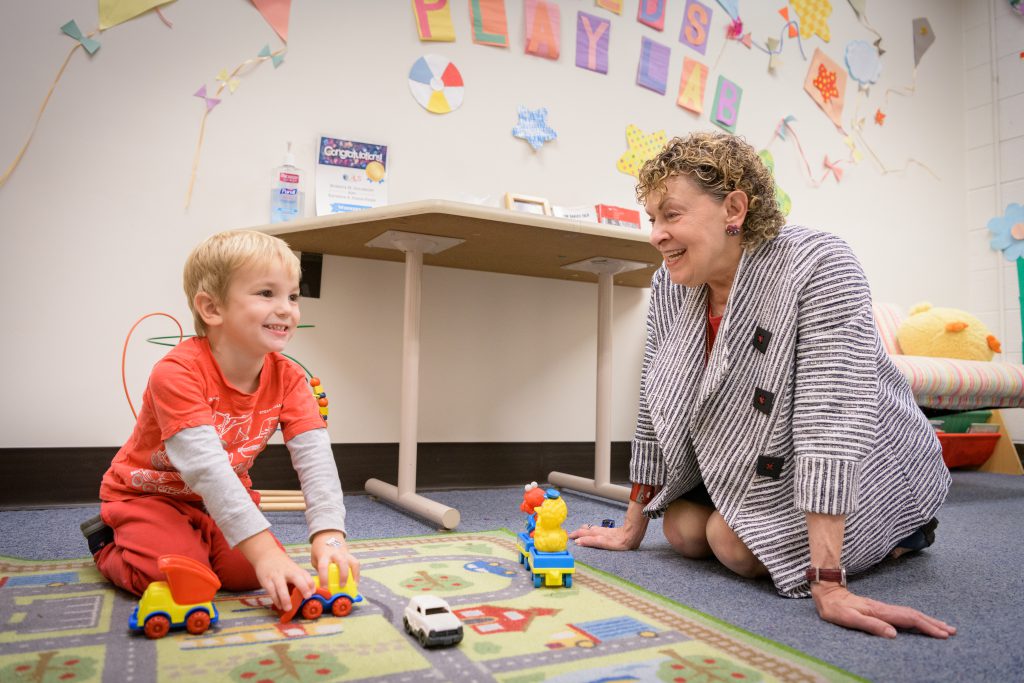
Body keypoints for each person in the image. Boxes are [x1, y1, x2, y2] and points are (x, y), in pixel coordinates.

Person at [569, 131, 956, 640]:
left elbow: (831, 420)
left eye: (672, 215)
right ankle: (736, 521)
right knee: (682, 531)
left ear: (733, 207)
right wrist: (631, 525)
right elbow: (653, 400)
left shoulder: (820, 263)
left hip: (867, 460)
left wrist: (829, 583)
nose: (656, 235)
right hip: (745, 459)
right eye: (652, 219)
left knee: (731, 543)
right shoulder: (669, 282)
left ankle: (905, 533)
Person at [81, 229, 356, 612]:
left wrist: (329, 533)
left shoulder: (290, 379)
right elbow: (207, 469)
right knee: (176, 577)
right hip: (150, 496)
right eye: (266, 294)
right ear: (211, 309)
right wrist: (262, 551)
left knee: (246, 574)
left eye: (292, 296)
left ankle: (199, 540)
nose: (286, 309)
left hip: (219, 500)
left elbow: (316, 461)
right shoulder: (176, 373)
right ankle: (108, 542)